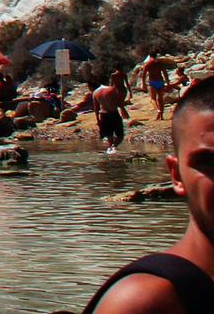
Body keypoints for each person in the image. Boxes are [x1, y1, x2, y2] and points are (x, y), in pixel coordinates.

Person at [80, 75, 214, 312]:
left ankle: (110, 149)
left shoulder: (101, 91)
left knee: (112, 140)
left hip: (105, 116)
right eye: (208, 162)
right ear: (177, 175)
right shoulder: (146, 301)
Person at [99, 75, 129, 155]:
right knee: (120, 135)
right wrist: (123, 110)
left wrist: (98, 119)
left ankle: (109, 149)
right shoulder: (112, 89)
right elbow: (117, 101)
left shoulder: (96, 92)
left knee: (109, 135)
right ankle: (114, 146)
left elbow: (96, 107)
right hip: (113, 113)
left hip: (103, 114)